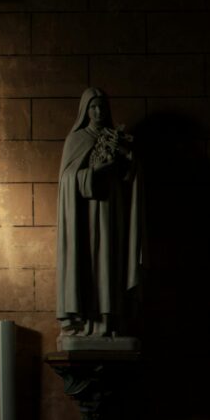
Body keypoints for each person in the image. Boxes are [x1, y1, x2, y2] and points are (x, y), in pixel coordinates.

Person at [56, 88, 143, 340]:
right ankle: (88, 321)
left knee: (111, 261)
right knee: (89, 265)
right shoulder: (76, 139)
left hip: (112, 211)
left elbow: (131, 178)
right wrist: (96, 171)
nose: (98, 112)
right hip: (85, 217)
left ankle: (110, 321)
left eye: (102, 107)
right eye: (93, 107)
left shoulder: (116, 138)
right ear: (85, 110)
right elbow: (67, 181)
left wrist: (128, 158)